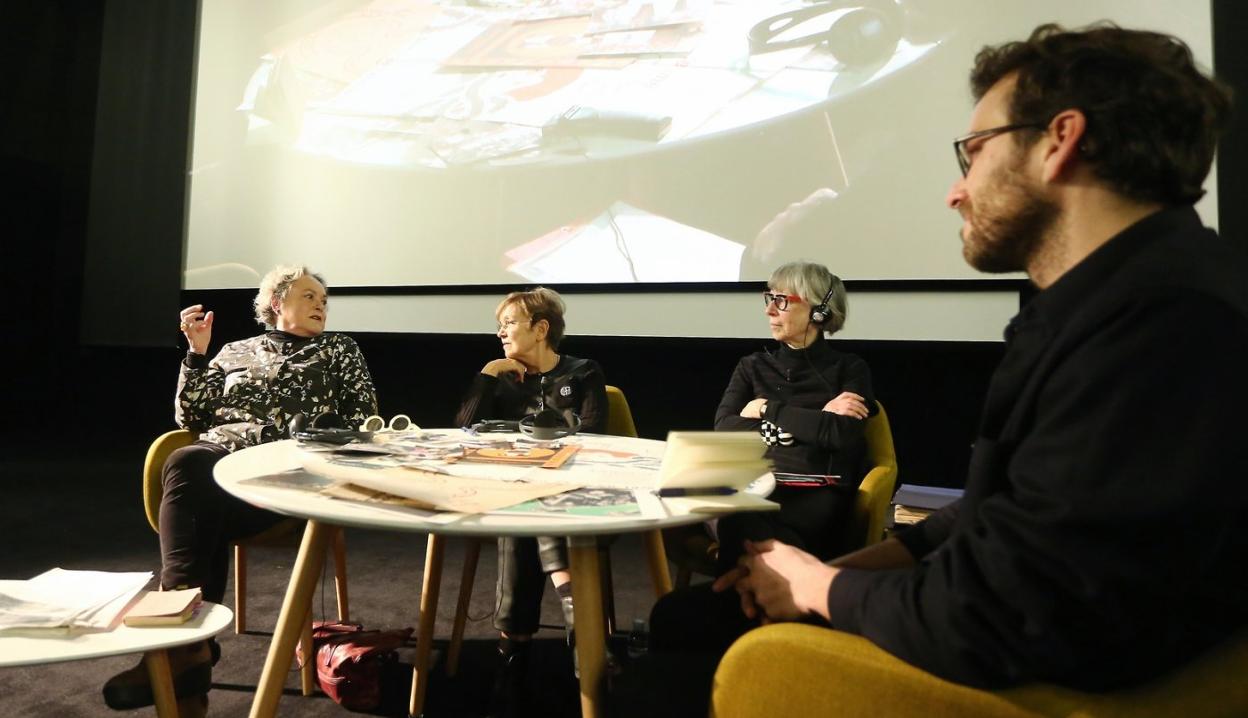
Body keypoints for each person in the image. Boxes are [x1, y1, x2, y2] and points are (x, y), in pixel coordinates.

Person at [620, 22, 1248, 715]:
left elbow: (1004, 614)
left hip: (1041, 680)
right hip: (1027, 638)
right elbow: (998, 517)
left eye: (973, 154)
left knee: (667, 680)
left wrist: (815, 589)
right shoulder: (1130, 300)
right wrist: (843, 569)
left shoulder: (1162, 326)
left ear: (1061, 140)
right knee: (687, 621)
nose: (956, 192)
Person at [103, 265, 377, 716]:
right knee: (189, 461)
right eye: (310, 297)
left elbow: (362, 416)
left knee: (196, 506)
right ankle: (187, 651)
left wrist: (314, 433)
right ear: (277, 303)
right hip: (219, 466)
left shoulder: (338, 349)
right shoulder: (235, 351)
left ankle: (182, 648)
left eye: (324, 301)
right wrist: (196, 353)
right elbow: (190, 418)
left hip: (285, 477)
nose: (321, 306)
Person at [454, 287, 607, 714]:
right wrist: (487, 374)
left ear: (541, 329)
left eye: (509, 323)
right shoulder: (503, 376)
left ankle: (513, 659)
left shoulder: (583, 371)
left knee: (531, 511)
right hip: (515, 489)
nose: (500, 332)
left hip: (574, 490)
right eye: (499, 325)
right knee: (525, 508)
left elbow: (594, 432)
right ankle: (580, 632)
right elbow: (464, 428)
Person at [710, 260, 873, 573]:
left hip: (816, 492)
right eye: (769, 298)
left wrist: (766, 408)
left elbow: (838, 433)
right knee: (742, 519)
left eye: (781, 301)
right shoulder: (752, 365)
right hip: (751, 484)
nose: (769, 311)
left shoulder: (850, 368)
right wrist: (809, 424)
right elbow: (725, 427)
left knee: (745, 528)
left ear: (818, 310)